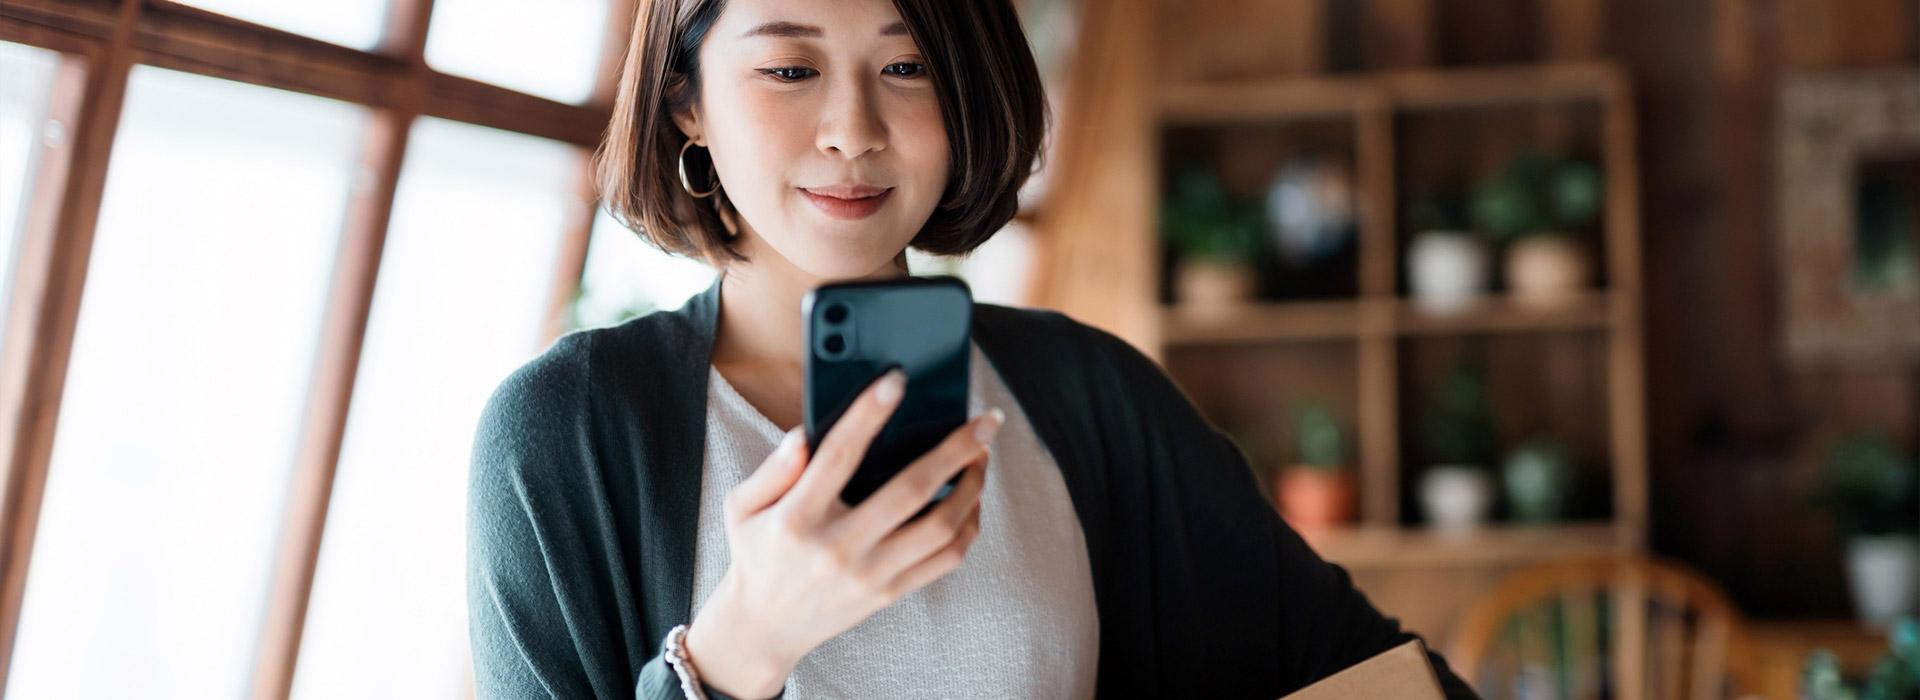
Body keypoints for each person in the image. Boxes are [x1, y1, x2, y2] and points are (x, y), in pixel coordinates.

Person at [466, 0, 1480, 698]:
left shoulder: (1088, 394)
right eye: (789, 68)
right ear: (688, 100)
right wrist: (738, 651)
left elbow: (1386, 676)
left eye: (906, 66)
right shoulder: (567, 433)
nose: (853, 130)